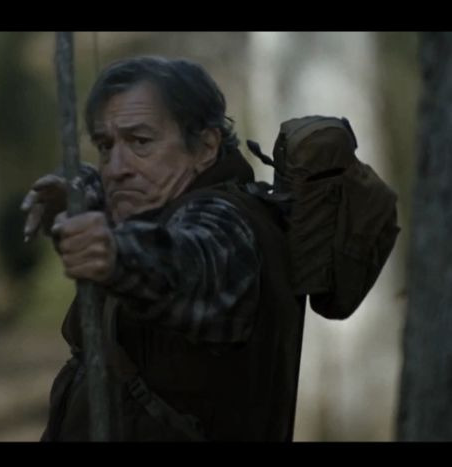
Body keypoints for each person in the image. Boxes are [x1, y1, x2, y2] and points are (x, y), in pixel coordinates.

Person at [21, 56, 306, 441]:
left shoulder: (226, 221)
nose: (116, 168)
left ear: (205, 147)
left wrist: (116, 254)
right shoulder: (161, 203)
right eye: (105, 146)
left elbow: (190, 260)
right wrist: (80, 187)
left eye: (141, 142)